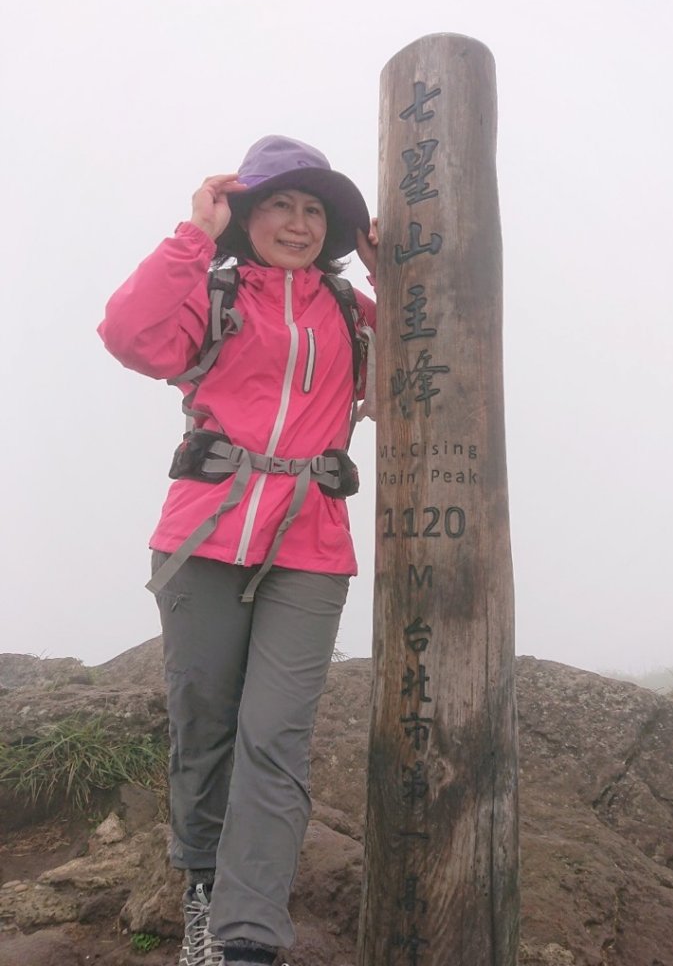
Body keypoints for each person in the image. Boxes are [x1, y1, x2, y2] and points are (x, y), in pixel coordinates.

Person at [98, 135, 378, 966]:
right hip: (202, 534)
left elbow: (417, 377)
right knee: (206, 727)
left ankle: (247, 936)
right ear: (246, 213)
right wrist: (193, 235)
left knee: (275, 736)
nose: (296, 223)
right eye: (278, 205)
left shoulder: (352, 314)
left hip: (311, 541)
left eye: (312, 209)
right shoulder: (213, 293)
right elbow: (131, 336)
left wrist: (390, 281)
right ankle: (201, 890)